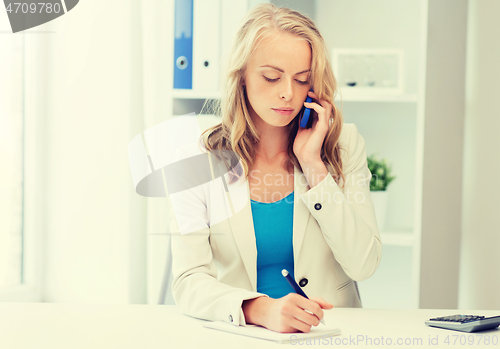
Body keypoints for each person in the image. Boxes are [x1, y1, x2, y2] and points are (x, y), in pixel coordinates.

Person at [169, 3, 382, 334]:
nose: (287, 94)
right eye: (271, 76)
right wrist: (259, 308)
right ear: (241, 76)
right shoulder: (195, 161)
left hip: (329, 335)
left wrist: (313, 164)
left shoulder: (344, 145)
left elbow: (363, 264)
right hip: (243, 334)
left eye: (301, 80)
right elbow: (188, 280)